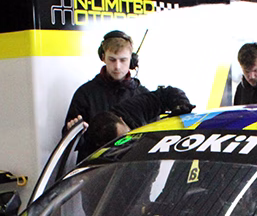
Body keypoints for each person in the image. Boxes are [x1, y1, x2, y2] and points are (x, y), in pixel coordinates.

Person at [63, 30, 148, 159]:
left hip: (133, 169)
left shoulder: (143, 96)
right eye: (112, 60)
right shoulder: (85, 94)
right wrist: (74, 133)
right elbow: (71, 143)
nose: (117, 66)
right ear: (103, 57)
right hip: (95, 170)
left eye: (123, 60)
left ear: (132, 61)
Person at [82, 85, 194, 155]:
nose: (127, 141)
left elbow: (168, 93)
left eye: (127, 135)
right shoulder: (91, 151)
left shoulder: (131, 110)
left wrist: (180, 105)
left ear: (121, 119)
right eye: (121, 142)